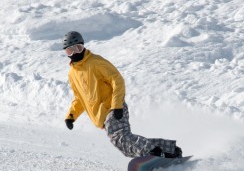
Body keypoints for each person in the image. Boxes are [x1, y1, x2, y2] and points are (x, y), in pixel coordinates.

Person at [61, 31, 183, 159]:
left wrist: (117, 105)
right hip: (102, 116)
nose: (75, 53)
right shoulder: (72, 74)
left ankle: (153, 153)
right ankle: (170, 149)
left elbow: (117, 80)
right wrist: (71, 116)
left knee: (121, 138)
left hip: (112, 108)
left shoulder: (96, 62)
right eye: (70, 51)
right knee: (124, 141)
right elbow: (79, 98)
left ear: (83, 46)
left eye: (77, 48)